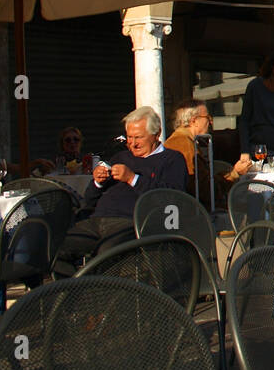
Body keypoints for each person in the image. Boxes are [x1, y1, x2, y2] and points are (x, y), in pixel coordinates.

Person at [52, 107, 188, 276]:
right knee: (56, 249)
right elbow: (88, 199)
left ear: (157, 134)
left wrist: (133, 178)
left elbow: (172, 198)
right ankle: (71, 297)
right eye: (129, 137)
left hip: (132, 223)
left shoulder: (172, 159)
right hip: (97, 220)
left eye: (138, 137)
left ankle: (98, 298)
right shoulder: (120, 157)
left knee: (104, 260)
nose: (132, 143)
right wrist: (97, 182)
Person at [164, 99, 213, 193]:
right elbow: (201, 187)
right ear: (194, 120)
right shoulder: (182, 144)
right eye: (207, 117)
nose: (210, 122)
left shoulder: (185, 141)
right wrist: (233, 174)